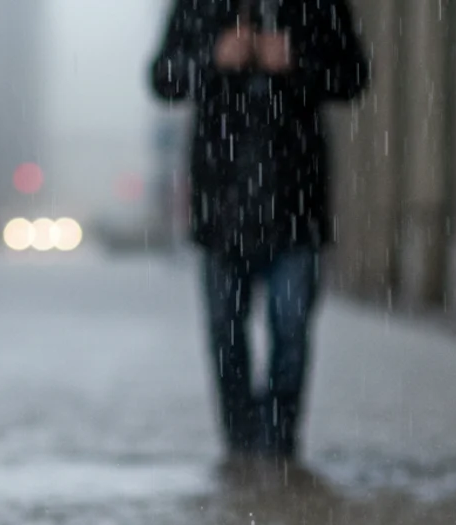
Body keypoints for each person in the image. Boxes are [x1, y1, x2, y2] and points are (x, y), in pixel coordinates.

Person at [149, 0, 369, 459]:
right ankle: (241, 445)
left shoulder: (317, 5)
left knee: (291, 332)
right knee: (226, 334)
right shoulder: (199, 6)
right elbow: (163, 77)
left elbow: (352, 76)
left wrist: (295, 60)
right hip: (221, 205)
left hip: (296, 201)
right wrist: (213, 57)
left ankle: (279, 444)